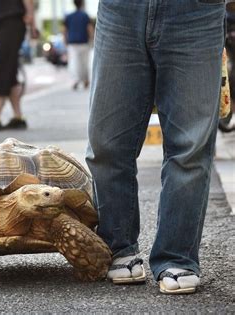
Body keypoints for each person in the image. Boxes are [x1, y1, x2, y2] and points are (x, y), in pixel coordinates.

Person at [86, 0, 224, 294]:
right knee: (106, 141)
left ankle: (177, 255)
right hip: (119, 10)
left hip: (198, 11)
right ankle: (118, 246)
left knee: (190, 146)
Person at [0, 0, 37, 131]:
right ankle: (18, 116)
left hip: (12, 20)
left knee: (2, 66)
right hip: (6, 21)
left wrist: (31, 20)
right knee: (9, 68)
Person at [63, 0, 93, 90]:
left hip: (72, 43)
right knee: (84, 62)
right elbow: (90, 29)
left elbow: (65, 31)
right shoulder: (85, 15)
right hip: (84, 42)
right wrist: (92, 40)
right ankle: (85, 80)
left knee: (74, 62)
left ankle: (76, 79)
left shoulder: (68, 16)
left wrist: (65, 42)